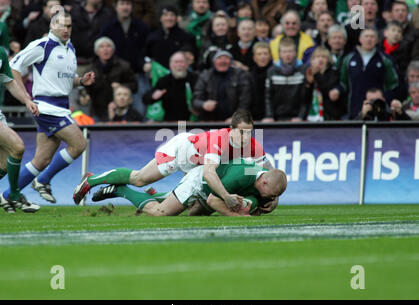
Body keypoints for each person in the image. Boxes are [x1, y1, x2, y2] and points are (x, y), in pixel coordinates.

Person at [74, 110, 277, 212]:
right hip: (181, 152)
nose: (245, 137)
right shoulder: (220, 140)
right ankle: (91, 180)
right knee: (139, 179)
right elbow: (209, 173)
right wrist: (226, 197)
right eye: (241, 132)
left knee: (188, 200)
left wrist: (275, 195)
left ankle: (126, 191)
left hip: (197, 165)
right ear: (230, 128)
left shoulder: (252, 144)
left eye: (248, 132)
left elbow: (270, 171)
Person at [7, 10, 95, 204]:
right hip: (46, 107)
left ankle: (7, 196)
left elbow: (63, 80)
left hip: (61, 106)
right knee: (79, 144)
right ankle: (43, 180)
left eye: (69, 26)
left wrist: (80, 81)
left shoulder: (69, 47)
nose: (66, 29)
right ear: (52, 26)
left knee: (42, 160)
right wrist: (26, 99)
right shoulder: (41, 45)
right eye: (61, 25)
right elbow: (13, 68)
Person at [89, 159, 287, 217]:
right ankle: (119, 190)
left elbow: (273, 176)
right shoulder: (240, 176)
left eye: (273, 197)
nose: (268, 199)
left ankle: (156, 194)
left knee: (194, 215)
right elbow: (213, 200)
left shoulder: (262, 176)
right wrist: (241, 217)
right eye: (269, 195)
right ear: (263, 182)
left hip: (213, 185)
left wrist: (274, 199)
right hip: (199, 183)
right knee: (161, 213)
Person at [0, 47, 40, 213]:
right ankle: (14, 195)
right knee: (17, 147)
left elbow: (9, 81)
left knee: (4, 162)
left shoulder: (1, 53)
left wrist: (26, 100)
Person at [329, 28, 399, 119]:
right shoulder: (349, 59)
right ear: (360, 39)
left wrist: (385, 99)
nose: (369, 39)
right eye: (366, 36)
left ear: (377, 40)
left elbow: (393, 84)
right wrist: (337, 90)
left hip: (378, 109)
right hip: (354, 107)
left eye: (372, 37)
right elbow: (343, 82)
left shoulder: (385, 60)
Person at [99, 0, 150, 118]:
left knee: (139, 109)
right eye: (122, 4)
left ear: (132, 6)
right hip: (115, 76)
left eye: (128, 4)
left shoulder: (141, 27)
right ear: (116, 7)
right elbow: (102, 50)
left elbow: (145, 50)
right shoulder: (108, 27)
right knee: (111, 111)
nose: (125, 7)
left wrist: (144, 63)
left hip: (137, 74)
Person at [86, 36, 138, 121]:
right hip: (97, 110)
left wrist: (121, 86)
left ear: (113, 50)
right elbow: (85, 89)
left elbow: (134, 86)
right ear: (97, 51)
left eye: (108, 46)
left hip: (120, 110)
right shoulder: (90, 69)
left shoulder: (124, 66)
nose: (105, 49)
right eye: (101, 46)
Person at [193, 50, 251, 121]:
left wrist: (237, 117)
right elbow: (195, 100)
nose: (223, 61)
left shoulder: (240, 75)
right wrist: (203, 104)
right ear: (214, 62)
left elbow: (245, 100)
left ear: (231, 62)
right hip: (209, 121)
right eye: (219, 58)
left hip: (234, 122)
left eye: (226, 58)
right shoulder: (205, 76)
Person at [142, 51, 198, 121]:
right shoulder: (164, 81)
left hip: (192, 122)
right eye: (176, 62)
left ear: (187, 64)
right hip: (170, 123)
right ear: (170, 65)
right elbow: (145, 99)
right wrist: (153, 96)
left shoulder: (195, 79)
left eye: (181, 62)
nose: (179, 65)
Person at [263, 37, 308, 122]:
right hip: (277, 118)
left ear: (295, 53)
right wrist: (269, 116)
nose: (287, 54)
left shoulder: (304, 70)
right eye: (284, 51)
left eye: (290, 51)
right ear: (280, 53)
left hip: (297, 118)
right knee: (259, 134)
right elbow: (268, 97)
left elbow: (305, 97)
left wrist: (301, 116)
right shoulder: (272, 71)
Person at [144, 4, 196, 70]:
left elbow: (191, 54)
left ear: (177, 18)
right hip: (158, 75)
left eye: (172, 15)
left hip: (180, 74)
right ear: (160, 18)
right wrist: (146, 63)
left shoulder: (186, 37)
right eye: (165, 15)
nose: (169, 18)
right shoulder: (152, 37)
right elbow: (145, 55)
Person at [304, 46, 346, 121]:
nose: (320, 59)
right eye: (317, 57)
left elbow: (327, 89)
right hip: (312, 114)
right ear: (312, 59)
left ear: (328, 59)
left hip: (330, 114)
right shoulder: (308, 72)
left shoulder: (334, 72)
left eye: (323, 57)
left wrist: (317, 74)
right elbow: (304, 97)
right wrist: (308, 83)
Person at [249, 41, 272, 121]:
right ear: (254, 58)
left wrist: (270, 116)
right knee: (259, 134)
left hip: (273, 118)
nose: (263, 57)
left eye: (265, 54)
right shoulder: (249, 75)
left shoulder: (275, 73)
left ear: (270, 56)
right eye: (259, 54)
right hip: (255, 118)